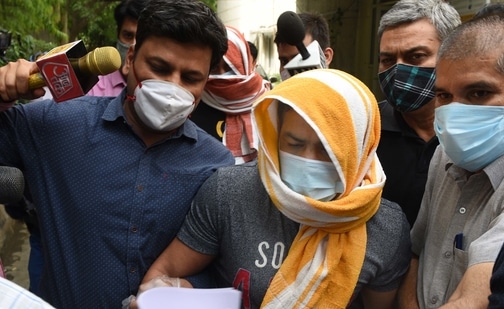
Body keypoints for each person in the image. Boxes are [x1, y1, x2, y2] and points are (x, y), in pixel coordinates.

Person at [0, 0, 234, 307]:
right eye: (159, 68)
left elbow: (219, 263)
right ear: (131, 59)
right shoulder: (55, 125)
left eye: (191, 78)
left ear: (207, 82)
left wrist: (187, 288)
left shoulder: (217, 165)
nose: (171, 87)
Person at [132, 69, 411, 308]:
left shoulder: (384, 227)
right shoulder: (229, 192)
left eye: (327, 150)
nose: (308, 160)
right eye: (294, 144)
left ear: (359, 150)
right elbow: (163, 274)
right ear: (275, 137)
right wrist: (165, 293)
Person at [398, 5, 504, 308]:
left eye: (478, 93)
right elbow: (416, 252)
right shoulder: (443, 153)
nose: (455, 114)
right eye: (444, 96)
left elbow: (475, 296)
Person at [376, 0, 461, 226]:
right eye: (387, 60)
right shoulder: (365, 130)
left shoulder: (474, 133)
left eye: (416, 57)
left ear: (452, 57)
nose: (398, 70)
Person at [190, 26, 270, 164]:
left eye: (230, 68)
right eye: (214, 68)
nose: (222, 75)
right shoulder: (194, 102)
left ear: (244, 63)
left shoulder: (268, 101)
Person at [87, 0, 147, 96]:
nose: (133, 45)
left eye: (141, 37)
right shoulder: (95, 91)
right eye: (128, 36)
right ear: (118, 35)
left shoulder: (162, 90)